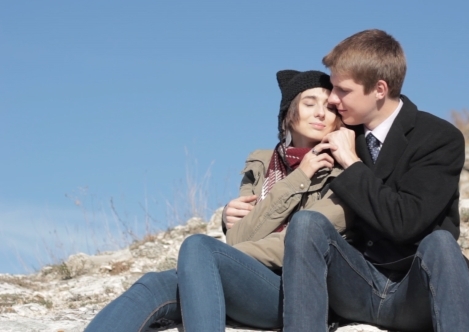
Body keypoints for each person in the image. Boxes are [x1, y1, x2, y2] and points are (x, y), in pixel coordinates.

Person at [85, 69, 353, 332]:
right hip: (245, 279)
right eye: (309, 103)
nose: (320, 113)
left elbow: (298, 246)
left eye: (329, 108)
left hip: (296, 292)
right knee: (154, 284)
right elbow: (238, 237)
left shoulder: (343, 172)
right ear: (287, 115)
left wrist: (301, 178)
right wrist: (229, 235)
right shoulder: (262, 165)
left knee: (199, 248)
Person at [281, 30, 469, 332]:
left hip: (416, 292)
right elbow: (295, 178)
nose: (332, 99)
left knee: (441, 243)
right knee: (306, 224)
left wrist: (351, 163)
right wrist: (240, 212)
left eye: (343, 90)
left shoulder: (439, 138)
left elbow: (405, 222)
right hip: (354, 284)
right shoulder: (341, 135)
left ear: (379, 89)